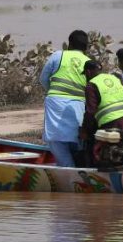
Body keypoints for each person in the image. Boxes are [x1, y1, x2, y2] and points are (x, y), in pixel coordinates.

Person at [39, 30, 91, 167]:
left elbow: (43, 78)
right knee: (76, 138)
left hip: (56, 102)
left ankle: (68, 169)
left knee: (55, 140)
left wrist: (52, 91)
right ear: (86, 47)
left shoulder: (58, 55)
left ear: (69, 44)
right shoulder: (89, 62)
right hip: (79, 104)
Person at [81, 60, 123, 167]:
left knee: (105, 154)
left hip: (113, 122)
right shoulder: (114, 78)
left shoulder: (91, 85)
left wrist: (84, 131)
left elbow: (90, 112)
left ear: (88, 72)